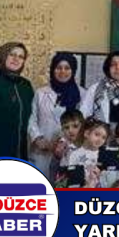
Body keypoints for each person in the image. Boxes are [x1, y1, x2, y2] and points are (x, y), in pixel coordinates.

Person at [28, 52, 85, 180]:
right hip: (42, 150)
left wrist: (63, 141)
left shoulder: (81, 94)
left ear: (73, 70)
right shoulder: (41, 93)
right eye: (58, 68)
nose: (62, 71)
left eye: (67, 68)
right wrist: (37, 138)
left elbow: (82, 122)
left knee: (64, 186)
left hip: (70, 150)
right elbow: (32, 118)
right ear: (53, 70)